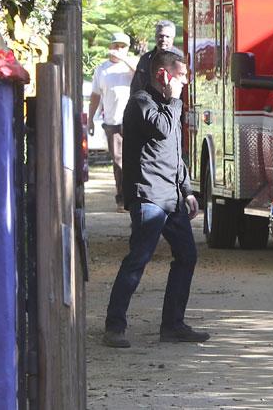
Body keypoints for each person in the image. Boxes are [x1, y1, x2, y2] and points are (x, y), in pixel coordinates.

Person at [103, 50, 208, 348]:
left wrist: (187, 190)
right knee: (138, 259)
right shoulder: (141, 103)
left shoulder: (168, 106)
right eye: (181, 75)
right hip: (148, 195)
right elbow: (162, 130)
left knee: (187, 256)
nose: (186, 81)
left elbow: (175, 153)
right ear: (163, 75)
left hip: (171, 197)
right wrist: (174, 99)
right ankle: (114, 326)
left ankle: (173, 325)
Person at [88, 32, 138, 212]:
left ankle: (136, 198)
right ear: (110, 46)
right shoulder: (102, 69)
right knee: (118, 161)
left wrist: (124, 59)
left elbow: (141, 73)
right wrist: (91, 119)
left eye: (123, 46)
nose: (119, 49)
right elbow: (95, 95)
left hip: (133, 120)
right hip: (112, 121)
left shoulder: (131, 66)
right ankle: (122, 199)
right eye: (116, 46)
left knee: (135, 160)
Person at [130, 20, 180, 94]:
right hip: (148, 103)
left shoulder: (179, 59)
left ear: (173, 38)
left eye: (167, 36)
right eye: (161, 36)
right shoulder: (146, 59)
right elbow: (136, 86)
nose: (163, 40)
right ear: (155, 37)